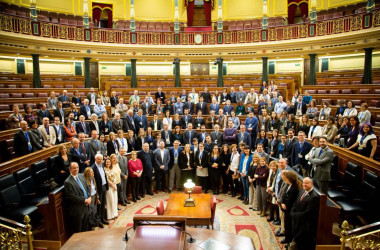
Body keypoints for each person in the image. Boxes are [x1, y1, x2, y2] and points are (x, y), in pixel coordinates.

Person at [291, 177, 320, 250]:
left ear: (312, 184)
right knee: (297, 242)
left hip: (305, 225)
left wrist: (294, 215)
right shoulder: (302, 191)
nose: (304, 184)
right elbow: (295, 203)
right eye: (303, 183)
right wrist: (292, 211)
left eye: (307, 183)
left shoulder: (314, 196)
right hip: (298, 222)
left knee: (303, 245)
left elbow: (308, 212)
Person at [64, 162, 91, 233]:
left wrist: (89, 197)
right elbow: (72, 197)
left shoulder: (82, 176)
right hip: (78, 210)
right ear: (69, 169)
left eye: (77, 167)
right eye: (74, 168)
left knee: (86, 228)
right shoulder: (68, 182)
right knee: (78, 230)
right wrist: (85, 200)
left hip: (86, 207)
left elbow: (87, 187)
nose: (76, 169)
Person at [280, 171, 302, 246]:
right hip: (285, 208)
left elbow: (290, 199)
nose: (283, 177)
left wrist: (284, 205)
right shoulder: (289, 185)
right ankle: (287, 238)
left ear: (289, 178)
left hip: (290, 210)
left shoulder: (295, 188)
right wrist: (282, 203)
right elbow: (284, 195)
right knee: (287, 225)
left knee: (289, 226)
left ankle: (289, 240)